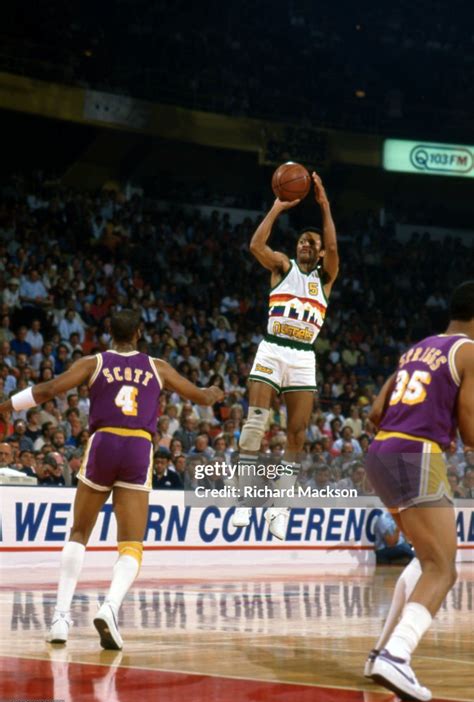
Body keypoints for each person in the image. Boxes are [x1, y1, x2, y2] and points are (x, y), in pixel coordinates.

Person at [0, 309, 223, 651]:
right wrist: (214, 393)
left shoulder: (94, 362)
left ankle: (60, 618)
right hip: (138, 447)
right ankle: (109, 608)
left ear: (109, 333)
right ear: (138, 334)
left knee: (79, 532)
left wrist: (8, 405)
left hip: (103, 442)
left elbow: (49, 389)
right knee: (131, 544)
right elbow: (201, 397)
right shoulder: (157, 366)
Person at [363, 281, 474, 702]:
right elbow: (470, 432)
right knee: (444, 568)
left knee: (426, 557)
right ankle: (397, 655)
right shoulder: (468, 352)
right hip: (416, 454)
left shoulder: (416, 350)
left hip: (381, 451)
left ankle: (381, 654)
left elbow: (375, 412)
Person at [231, 173, 338, 538]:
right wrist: (276, 208)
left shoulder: (325, 278)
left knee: (297, 433)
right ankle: (244, 500)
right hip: (273, 348)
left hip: (303, 357)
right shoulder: (282, 266)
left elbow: (335, 249)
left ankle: (279, 506)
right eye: (302, 241)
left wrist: (324, 206)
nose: (305, 245)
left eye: (312, 242)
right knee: (256, 421)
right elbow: (255, 246)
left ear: (321, 251)